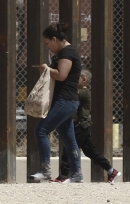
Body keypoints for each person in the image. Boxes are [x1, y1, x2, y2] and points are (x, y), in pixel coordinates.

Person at [30, 22, 83, 183]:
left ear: (54, 39)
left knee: (41, 130)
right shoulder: (63, 52)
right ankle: (77, 175)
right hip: (65, 100)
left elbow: (61, 75)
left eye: (47, 43)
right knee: (69, 139)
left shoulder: (68, 52)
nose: (48, 47)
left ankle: (46, 170)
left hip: (65, 100)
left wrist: (46, 69)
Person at [75, 69, 120, 183]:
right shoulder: (81, 91)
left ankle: (64, 175)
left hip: (81, 125)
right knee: (90, 152)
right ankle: (111, 170)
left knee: (69, 148)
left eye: (76, 78)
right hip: (83, 126)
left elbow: (69, 93)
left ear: (84, 79)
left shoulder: (83, 92)